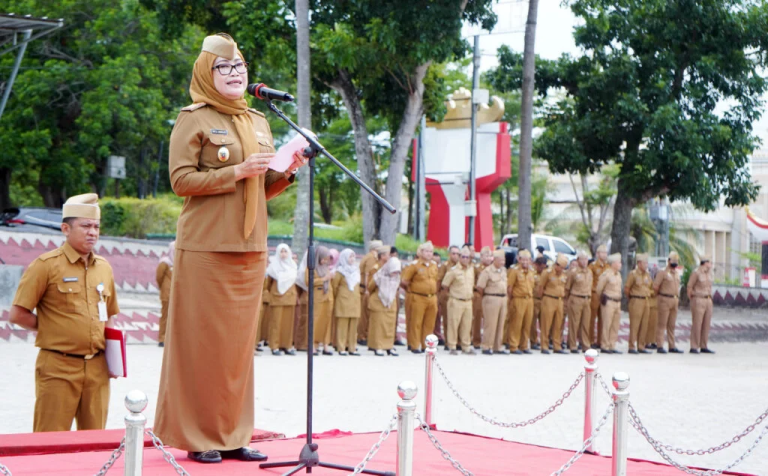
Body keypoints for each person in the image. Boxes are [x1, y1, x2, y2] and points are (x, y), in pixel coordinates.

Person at [153, 33, 307, 464]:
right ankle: (199, 436)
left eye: (239, 65)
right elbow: (181, 181)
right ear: (207, 72)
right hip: (206, 248)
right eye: (225, 66)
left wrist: (287, 169)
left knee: (238, 350)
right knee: (202, 344)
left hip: (249, 247)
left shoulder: (259, 120)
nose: (236, 72)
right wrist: (237, 170)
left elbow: (260, 188)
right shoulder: (193, 118)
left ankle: (233, 433)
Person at [10, 193, 120, 433]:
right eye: (85, 226)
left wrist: (115, 360)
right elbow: (17, 314)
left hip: (97, 369)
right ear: (65, 228)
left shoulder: (104, 267)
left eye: (96, 227)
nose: (92, 232)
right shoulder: (46, 265)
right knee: (49, 441)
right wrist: (54, 327)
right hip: (58, 366)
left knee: (94, 441)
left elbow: (109, 316)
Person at [401, 241, 439, 353]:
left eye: (431, 251)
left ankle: (425, 344)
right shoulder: (414, 265)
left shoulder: (434, 265)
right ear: (421, 252)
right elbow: (404, 281)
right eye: (426, 251)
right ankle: (414, 344)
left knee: (429, 323)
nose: (429, 254)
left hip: (431, 297)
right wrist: (412, 290)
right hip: (418, 297)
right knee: (416, 322)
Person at [300, 246, 334, 355]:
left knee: (326, 321)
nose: (325, 261)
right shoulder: (311, 267)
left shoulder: (326, 268)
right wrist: (323, 280)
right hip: (317, 296)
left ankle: (324, 344)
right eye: (324, 259)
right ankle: (311, 345)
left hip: (328, 296)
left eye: (327, 259)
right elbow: (308, 282)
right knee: (315, 321)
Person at [442, 247, 476, 355]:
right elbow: (445, 285)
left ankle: (466, 346)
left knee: (467, 325)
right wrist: (452, 295)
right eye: (463, 257)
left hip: (468, 301)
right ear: (459, 257)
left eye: (467, 257)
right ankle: (452, 346)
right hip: (456, 300)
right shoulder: (454, 270)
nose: (465, 259)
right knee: (453, 324)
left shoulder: (471, 269)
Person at [266, 244, 298, 356]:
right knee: (276, 323)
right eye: (281, 251)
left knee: (288, 324)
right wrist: (274, 293)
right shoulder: (273, 267)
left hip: (290, 297)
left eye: (285, 251)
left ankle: (287, 345)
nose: (283, 254)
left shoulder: (293, 266)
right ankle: (274, 346)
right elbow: (267, 284)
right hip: (278, 297)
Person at [476, 249, 509, 354]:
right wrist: (487, 296)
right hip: (491, 298)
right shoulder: (487, 271)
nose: (503, 262)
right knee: (490, 324)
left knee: (500, 324)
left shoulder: (503, 270)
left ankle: (497, 346)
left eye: (504, 260)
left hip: (503, 299)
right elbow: (480, 287)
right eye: (500, 260)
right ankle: (486, 346)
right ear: (494, 260)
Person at [367, 250, 399, 356]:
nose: (395, 273)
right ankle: (378, 346)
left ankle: (389, 346)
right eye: (394, 271)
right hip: (378, 302)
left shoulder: (397, 277)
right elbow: (370, 287)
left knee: (390, 326)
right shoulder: (379, 275)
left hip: (390, 304)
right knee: (378, 326)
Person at [536, 254, 568, 354]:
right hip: (549, 299)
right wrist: (543, 298)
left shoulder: (564, 274)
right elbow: (541, 287)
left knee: (558, 324)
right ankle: (544, 345)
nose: (562, 269)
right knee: (546, 323)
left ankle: (557, 345)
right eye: (561, 267)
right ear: (556, 265)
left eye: (563, 268)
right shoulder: (547, 273)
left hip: (559, 300)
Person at [332, 249, 362, 355]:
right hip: (343, 301)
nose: (352, 259)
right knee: (342, 325)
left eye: (353, 256)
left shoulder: (356, 270)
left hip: (355, 301)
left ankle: (352, 348)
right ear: (344, 257)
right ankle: (341, 348)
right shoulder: (339, 271)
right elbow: (334, 287)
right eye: (350, 257)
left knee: (354, 326)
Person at [653, 251, 683, 354]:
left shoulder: (677, 274)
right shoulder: (662, 272)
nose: (675, 262)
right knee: (662, 324)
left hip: (674, 300)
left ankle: (672, 345)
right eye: (673, 260)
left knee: (672, 325)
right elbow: (655, 286)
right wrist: (660, 297)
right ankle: (660, 345)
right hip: (664, 299)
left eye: (676, 261)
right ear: (668, 261)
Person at [506, 249, 536, 354]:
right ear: (519, 260)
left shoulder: (531, 271)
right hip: (518, 299)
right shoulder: (514, 271)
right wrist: (511, 300)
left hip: (529, 300)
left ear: (530, 260)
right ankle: (514, 346)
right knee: (516, 324)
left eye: (527, 260)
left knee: (527, 324)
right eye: (523, 260)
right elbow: (509, 287)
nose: (525, 262)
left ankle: (524, 346)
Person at [564, 251, 593, 353]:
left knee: (585, 323)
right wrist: (567, 300)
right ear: (578, 260)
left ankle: (585, 344)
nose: (584, 261)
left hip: (587, 299)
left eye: (586, 259)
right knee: (574, 323)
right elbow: (568, 287)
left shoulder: (589, 272)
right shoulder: (574, 272)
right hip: (576, 298)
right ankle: (572, 345)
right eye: (582, 259)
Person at [625, 253, 652, 354]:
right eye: (645, 263)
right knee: (635, 325)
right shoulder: (633, 274)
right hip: (636, 300)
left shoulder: (647, 275)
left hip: (646, 300)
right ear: (639, 263)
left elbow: (650, 287)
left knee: (644, 324)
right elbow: (627, 289)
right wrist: (632, 298)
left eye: (647, 263)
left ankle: (641, 346)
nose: (646, 265)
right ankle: (632, 346)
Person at [687, 256, 714, 354]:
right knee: (697, 323)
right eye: (710, 262)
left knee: (706, 324)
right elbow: (689, 287)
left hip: (708, 299)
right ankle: (694, 346)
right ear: (705, 262)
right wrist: (694, 299)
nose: (711, 264)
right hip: (698, 299)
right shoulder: (696, 273)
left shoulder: (709, 274)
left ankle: (704, 345)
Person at [597, 253, 623, 353]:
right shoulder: (606, 274)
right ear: (613, 263)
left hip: (617, 302)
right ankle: (605, 345)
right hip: (609, 302)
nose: (620, 264)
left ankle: (612, 345)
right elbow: (599, 289)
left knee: (615, 325)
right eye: (619, 262)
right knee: (607, 324)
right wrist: (604, 299)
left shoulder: (618, 275)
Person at [358, 239, 383, 345]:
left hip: (368, 288)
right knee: (364, 315)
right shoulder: (371, 259)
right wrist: (368, 289)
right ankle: (362, 336)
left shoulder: (372, 257)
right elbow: (368, 274)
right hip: (366, 289)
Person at [435, 246, 460, 344]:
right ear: (449, 254)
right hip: (446, 295)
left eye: (458, 254)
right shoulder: (445, 266)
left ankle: (458, 341)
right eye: (453, 253)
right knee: (447, 319)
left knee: (458, 320)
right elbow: (439, 280)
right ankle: (448, 341)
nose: (455, 256)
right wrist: (437, 295)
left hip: (458, 295)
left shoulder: (461, 266)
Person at [588, 244, 609, 349]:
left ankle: (600, 341)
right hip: (595, 294)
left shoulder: (608, 267)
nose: (604, 255)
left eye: (606, 253)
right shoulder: (592, 266)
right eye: (602, 252)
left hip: (604, 295)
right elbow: (589, 279)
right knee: (591, 318)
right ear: (597, 254)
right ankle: (591, 340)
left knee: (603, 318)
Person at [472, 247, 493, 348]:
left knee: (490, 319)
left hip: (490, 296)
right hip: (478, 295)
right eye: (486, 256)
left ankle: (488, 341)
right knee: (477, 318)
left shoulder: (493, 269)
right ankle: (476, 341)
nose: (489, 258)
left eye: (490, 256)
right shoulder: (476, 268)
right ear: (481, 257)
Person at [156, 241, 175, 347]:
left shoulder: (180, 263)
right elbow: (159, 277)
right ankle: (162, 338)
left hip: (178, 296)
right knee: (165, 316)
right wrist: (163, 288)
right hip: (167, 295)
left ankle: (172, 339)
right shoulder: (165, 262)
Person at [402, 248, 420, 350]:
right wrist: (410, 290)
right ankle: (411, 342)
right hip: (412, 294)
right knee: (412, 319)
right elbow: (403, 281)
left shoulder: (431, 266)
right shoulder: (410, 266)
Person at [530, 256, 548, 350]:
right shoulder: (532, 273)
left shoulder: (547, 274)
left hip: (544, 300)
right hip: (534, 299)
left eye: (544, 267)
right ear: (536, 265)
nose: (542, 269)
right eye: (541, 267)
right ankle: (533, 341)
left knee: (544, 322)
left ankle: (544, 342)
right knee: (532, 322)